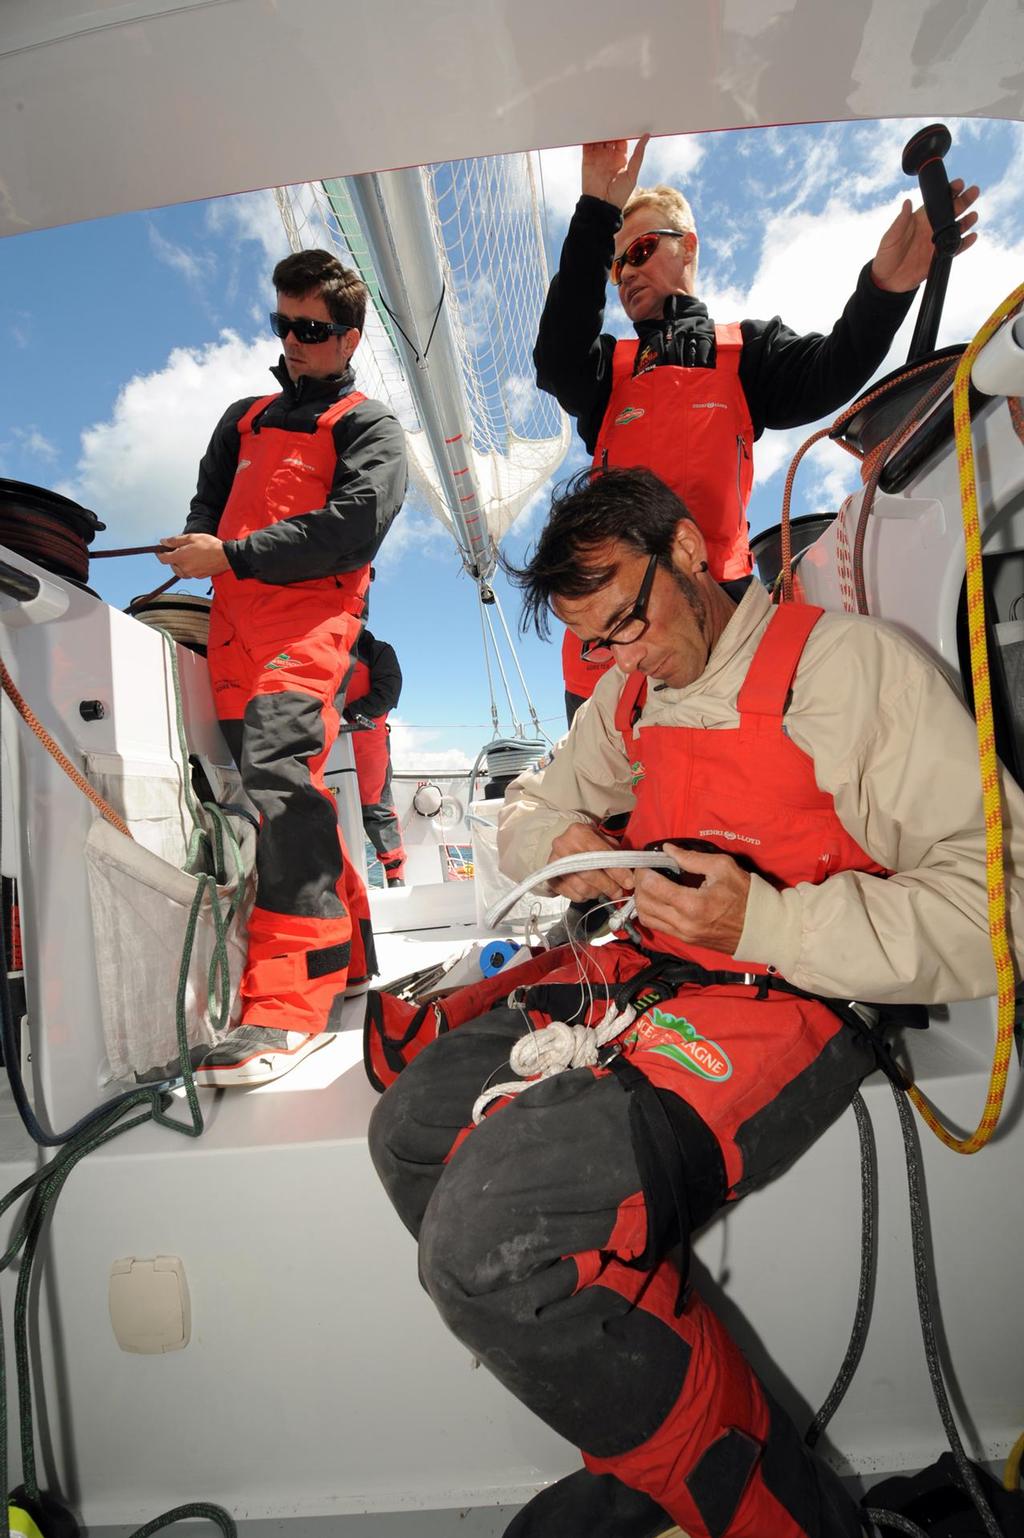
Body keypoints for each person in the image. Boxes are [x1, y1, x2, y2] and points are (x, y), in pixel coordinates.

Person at [368, 466, 1024, 1538]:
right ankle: (654, 1442)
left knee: (496, 1241)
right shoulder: (629, 694)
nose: (622, 662)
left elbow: (1001, 902)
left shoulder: (848, 670)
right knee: (410, 1129)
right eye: (595, 644)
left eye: (627, 622)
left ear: (684, 549)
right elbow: (532, 804)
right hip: (650, 974)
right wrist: (564, 841)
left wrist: (764, 925)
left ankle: (792, 1518)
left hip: (798, 988)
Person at [534, 136, 980, 722]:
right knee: (613, 808)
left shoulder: (746, 353)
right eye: (617, 264)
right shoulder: (605, 371)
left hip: (721, 620)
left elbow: (829, 372)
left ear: (686, 247)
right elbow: (555, 360)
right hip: (614, 638)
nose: (625, 274)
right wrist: (596, 207)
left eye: (639, 251)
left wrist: (884, 289)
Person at [158, 249, 407, 1087]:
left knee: (278, 786)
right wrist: (205, 546)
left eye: (312, 329)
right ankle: (353, 956)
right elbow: (207, 501)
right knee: (281, 797)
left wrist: (226, 553)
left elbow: (353, 527)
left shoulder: (369, 426)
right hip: (231, 637)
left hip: (310, 634)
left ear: (349, 338)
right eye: (284, 324)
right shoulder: (242, 418)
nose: (295, 342)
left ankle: (288, 1009)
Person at [344, 627, 407, 889]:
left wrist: (347, 714)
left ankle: (395, 877)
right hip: (325, 741)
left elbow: (388, 693)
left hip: (367, 740)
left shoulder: (377, 650)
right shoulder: (321, 648)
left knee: (376, 809)